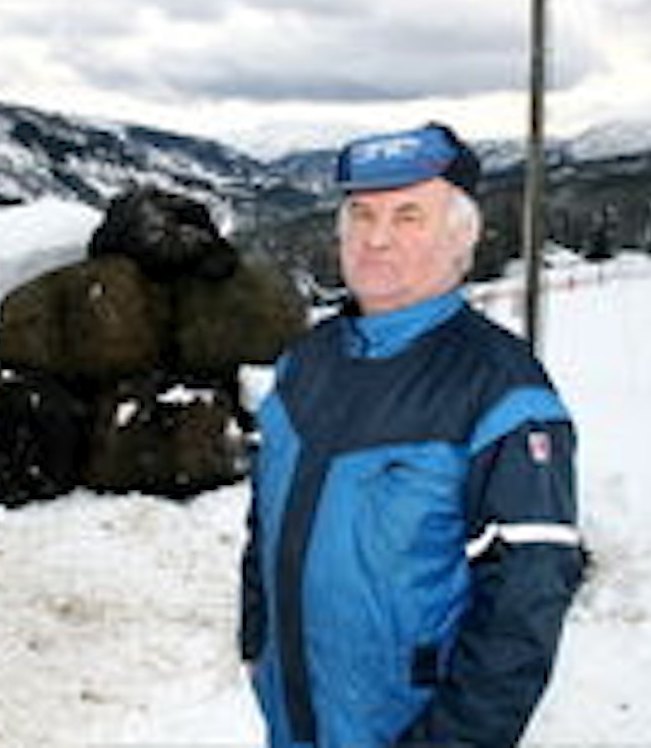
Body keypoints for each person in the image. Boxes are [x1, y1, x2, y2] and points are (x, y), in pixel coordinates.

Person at [240, 122, 584, 748]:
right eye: (362, 215)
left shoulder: (503, 393)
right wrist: (256, 640)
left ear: (459, 236)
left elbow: (524, 611)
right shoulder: (303, 364)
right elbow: (265, 519)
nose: (376, 238)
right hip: (293, 720)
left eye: (408, 217)